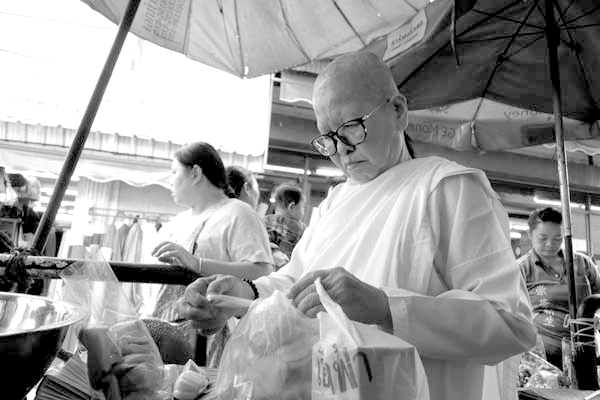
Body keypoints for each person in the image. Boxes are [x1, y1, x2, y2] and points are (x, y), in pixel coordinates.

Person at [175, 51, 536, 400]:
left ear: (398, 111)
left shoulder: (447, 188)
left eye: (351, 128)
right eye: (327, 138)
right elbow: (296, 282)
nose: (340, 150)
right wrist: (239, 294)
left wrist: (383, 306)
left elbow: (511, 324)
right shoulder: (336, 200)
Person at [150, 142, 274, 367]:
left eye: (174, 172)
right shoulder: (177, 222)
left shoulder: (237, 213)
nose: (170, 179)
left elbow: (262, 271)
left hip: (213, 337)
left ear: (196, 173)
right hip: (167, 334)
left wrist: (198, 263)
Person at [519, 207, 600, 368]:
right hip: (543, 357)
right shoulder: (522, 269)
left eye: (557, 238)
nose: (550, 244)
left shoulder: (582, 264)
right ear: (530, 235)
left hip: (585, 348)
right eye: (543, 238)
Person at [263, 183, 306, 268]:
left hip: (266, 266)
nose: (303, 211)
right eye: (302, 207)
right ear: (291, 207)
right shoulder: (300, 228)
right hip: (288, 268)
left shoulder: (265, 220)